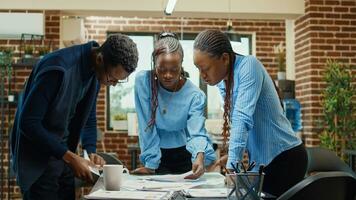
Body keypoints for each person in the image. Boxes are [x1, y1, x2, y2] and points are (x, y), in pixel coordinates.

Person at [10, 34, 138, 200]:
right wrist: (70, 157)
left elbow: (89, 116)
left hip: (63, 157)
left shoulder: (95, 72)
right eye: (112, 78)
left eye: (119, 81)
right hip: (38, 161)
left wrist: (90, 151)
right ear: (100, 58)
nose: (113, 83)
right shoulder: (57, 68)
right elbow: (28, 123)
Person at [193, 30, 307, 197]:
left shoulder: (249, 66)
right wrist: (233, 158)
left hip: (285, 158)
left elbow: (242, 119)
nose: (202, 76)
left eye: (205, 68)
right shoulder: (224, 82)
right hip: (263, 163)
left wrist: (233, 164)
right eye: (198, 69)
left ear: (224, 58)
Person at [131, 32, 216, 178]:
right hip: (156, 154)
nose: (168, 75)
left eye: (174, 70)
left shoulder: (195, 95)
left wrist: (199, 156)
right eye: (162, 69)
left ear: (181, 65)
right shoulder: (144, 83)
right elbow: (147, 126)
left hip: (186, 154)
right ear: (154, 64)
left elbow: (196, 131)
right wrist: (151, 164)